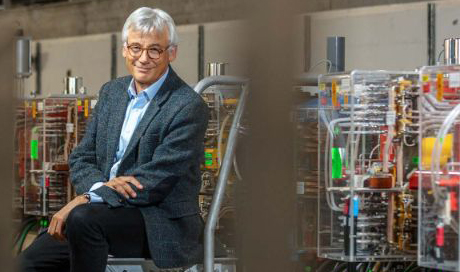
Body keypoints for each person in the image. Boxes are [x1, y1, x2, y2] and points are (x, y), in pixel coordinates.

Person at [19, 7, 209, 272]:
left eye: (155, 49)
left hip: (157, 220)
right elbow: (82, 156)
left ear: (172, 53)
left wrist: (86, 198)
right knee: (27, 263)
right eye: (135, 48)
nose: (143, 58)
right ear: (124, 50)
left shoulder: (187, 105)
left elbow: (156, 179)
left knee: (84, 220)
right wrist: (99, 190)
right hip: (100, 211)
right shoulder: (112, 92)